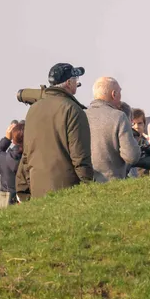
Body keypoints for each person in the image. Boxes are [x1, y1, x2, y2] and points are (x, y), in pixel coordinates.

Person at [18, 63, 93, 200]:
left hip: (37, 189)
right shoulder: (73, 110)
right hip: (67, 191)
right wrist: (89, 187)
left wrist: (22, 189)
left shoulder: (33, 110)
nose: (77, 83)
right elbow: (80, 156)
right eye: (76, 80)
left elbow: (27, 154)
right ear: (69, 83)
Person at [86, 77, 141, 183]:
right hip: (111, 182)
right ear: (114, 94)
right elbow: (132, 156)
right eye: (120, 92)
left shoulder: (81, 115)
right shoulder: (118, 116)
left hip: (86, 183)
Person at [0, 121, 24, 207]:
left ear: (14, 141)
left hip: (6, 201)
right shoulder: (32, 156)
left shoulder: (3, 158)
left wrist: (7, 139)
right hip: (27, 198)